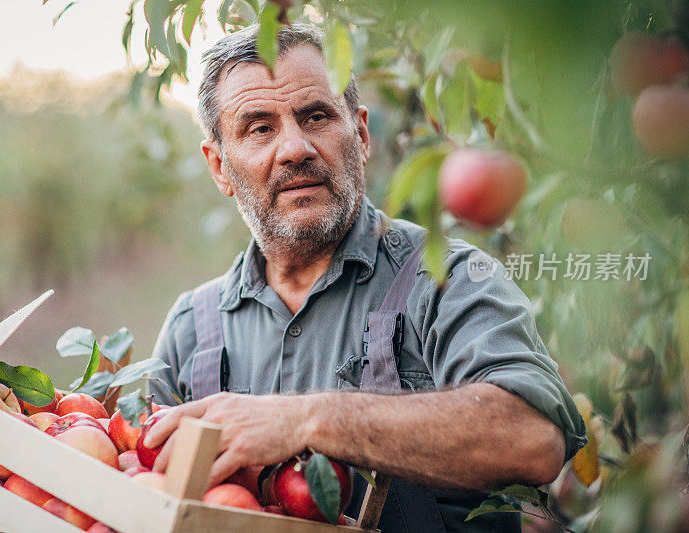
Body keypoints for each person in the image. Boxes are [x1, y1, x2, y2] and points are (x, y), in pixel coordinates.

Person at [142, 23, 587, 531]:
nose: (294, 148)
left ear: (361, 134)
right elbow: (141, 485)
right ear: (220, 166)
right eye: (260, 128)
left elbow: (533, 438)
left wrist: (305, 420)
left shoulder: (449, 279)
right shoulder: (191, 328)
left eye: (316, 116)